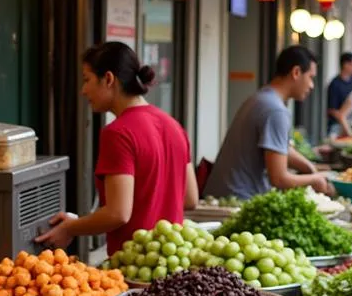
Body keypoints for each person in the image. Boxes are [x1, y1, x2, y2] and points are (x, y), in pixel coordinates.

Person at [37, 42, 197, 256]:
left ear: (109, 79)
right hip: (174, 265)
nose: (83, 91)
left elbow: (118, 213)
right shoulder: (173, 125)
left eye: (87, 80)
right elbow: (190, 198)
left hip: (133, 266)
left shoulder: (118, 133)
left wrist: (69, 228)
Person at [204, 45, 331, 201]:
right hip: (237, 202)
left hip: (222, 195)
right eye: (311, 77)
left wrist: (310, 168)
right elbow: (279, 179)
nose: (312, 85)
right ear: (296, 72)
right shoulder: (275, 110)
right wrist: (316, 180)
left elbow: (279, 147)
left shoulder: (262, 98)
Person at [326, 51, 352, 135]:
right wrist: (343, 119)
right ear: (346, 65)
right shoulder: (335, 84)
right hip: (337, 126)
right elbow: (332, 110)